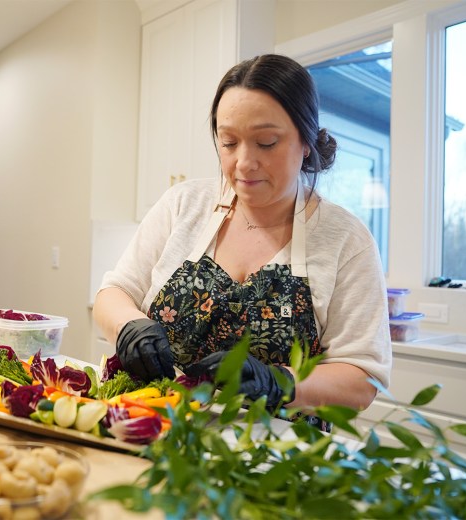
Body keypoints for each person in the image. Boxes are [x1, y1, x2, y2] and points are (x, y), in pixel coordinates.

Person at [93, 54, 392, 430]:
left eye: (266, 143)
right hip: (150, 431)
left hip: (275, 461)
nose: (244, 163)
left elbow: (362, 380)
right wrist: (130, 326)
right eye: (229, 142)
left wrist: (279, 382)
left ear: (305, 141)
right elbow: (114, 292)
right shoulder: (183, 204)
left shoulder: (346, 240)